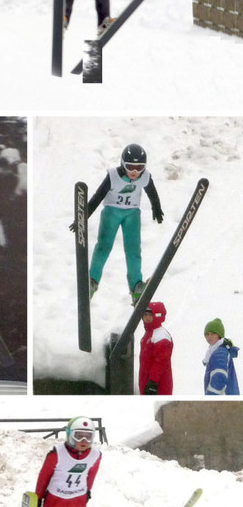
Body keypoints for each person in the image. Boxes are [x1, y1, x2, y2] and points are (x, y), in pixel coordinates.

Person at [72, 143, 164, 303]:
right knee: (103, 247)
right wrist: (82, 217)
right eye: (130, 167)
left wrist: (156, 207)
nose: (135, 172)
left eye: (139, 167)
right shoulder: (113, 175)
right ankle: (92, 281)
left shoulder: (145, 177)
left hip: (132, 214)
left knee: (133, 251)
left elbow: (152, 193)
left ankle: (136, 286)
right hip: (112, 212)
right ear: (123, 163)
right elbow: (97, 197)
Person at [139, 302, 173, 395]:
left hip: (158, 385)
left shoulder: (161, 336)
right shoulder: (149, 333)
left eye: (150, 315)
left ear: (157, 316)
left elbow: (160, 362)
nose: (147, 317)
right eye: (145, 314)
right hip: (147, 382)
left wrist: (153, 382)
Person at [203, 318, 240, 395]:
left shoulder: (220, 352)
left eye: (213, 334)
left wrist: (210, 396)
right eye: (207, 334)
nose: (209, 337)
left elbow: (219, 376)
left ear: (219, 335)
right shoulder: (216, 351)